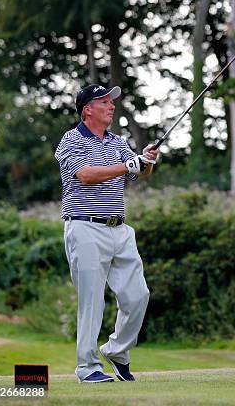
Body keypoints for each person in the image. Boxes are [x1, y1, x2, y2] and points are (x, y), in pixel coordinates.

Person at [55, 84, 158, 382]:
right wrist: (127, 165)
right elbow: (85, 175)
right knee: (92, 300)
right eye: (103, 102)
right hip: (84, 227)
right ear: (87, 109)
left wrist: (146, 161)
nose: (111, 106)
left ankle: (117, 351)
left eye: (111, 102)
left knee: (138, 295)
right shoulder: (71, 140)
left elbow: (138, 171)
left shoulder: (117, 141)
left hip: (120, 229)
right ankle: (87, 367)